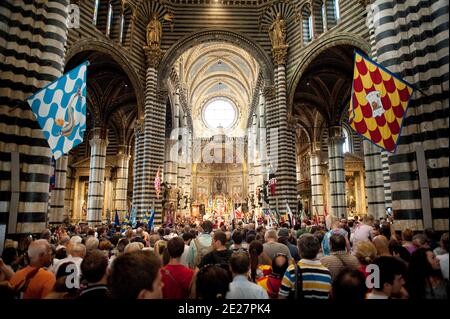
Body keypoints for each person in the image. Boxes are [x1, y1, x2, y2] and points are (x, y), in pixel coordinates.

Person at [279, 234, 332, 299]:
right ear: (318, 250)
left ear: (299, 250)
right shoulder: (327, 274)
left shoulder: (291, 270)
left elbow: (282, 296)